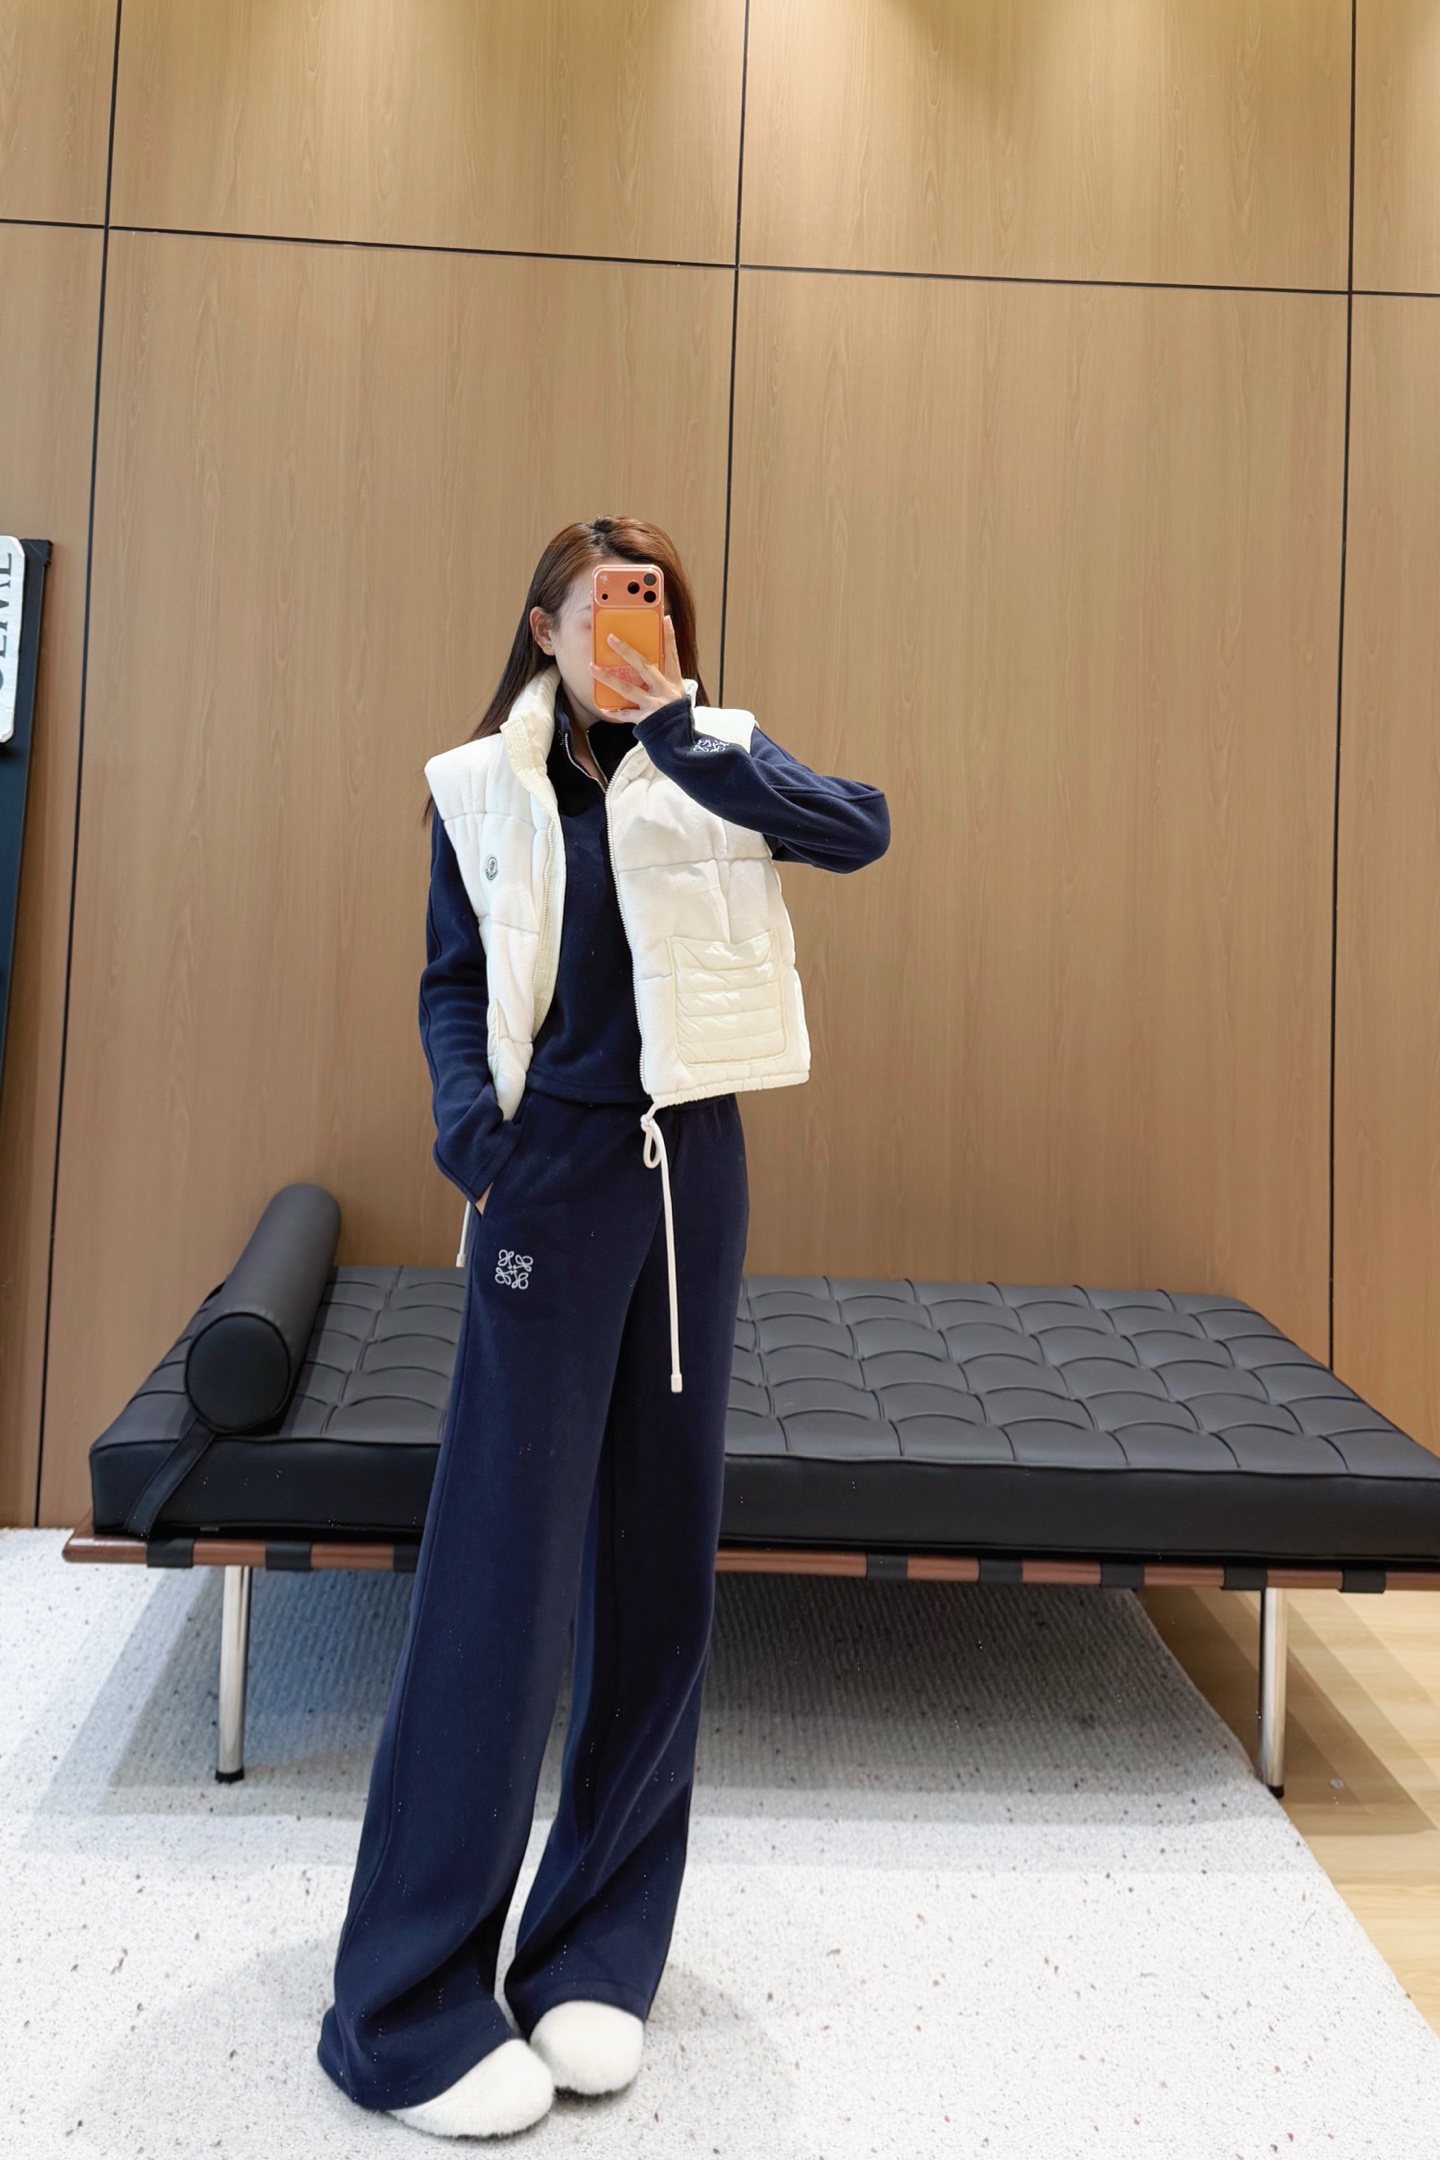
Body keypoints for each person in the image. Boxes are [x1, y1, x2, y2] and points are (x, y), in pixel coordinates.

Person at [317, 515, 890, 2137]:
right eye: (606, 606)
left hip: (693, 1178)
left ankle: (596, 1950)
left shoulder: (720, 759)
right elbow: (453, 984)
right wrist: (472, 1139)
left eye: (656, 606)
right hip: (549, 1183)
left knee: (657, 1574)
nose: (633, 626)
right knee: (498, 1582)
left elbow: (862, 831)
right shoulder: (477, 788)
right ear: (545, 627)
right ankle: (403, 2009)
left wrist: (691, 739)